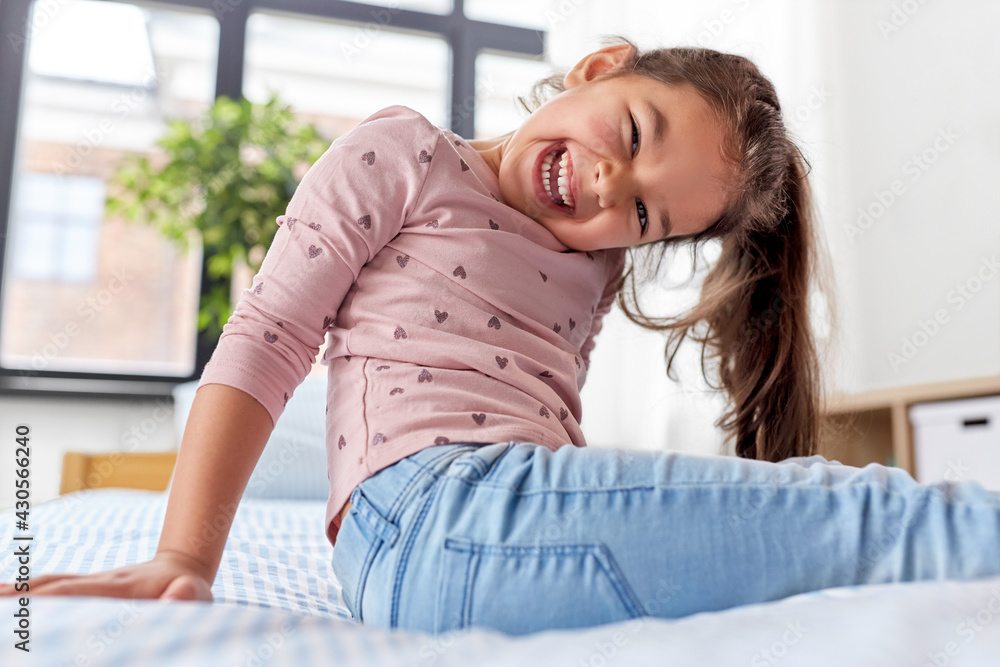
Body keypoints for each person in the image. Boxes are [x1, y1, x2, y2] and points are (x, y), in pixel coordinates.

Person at [3, 36, 999, 637]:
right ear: (598, 69)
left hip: (495, 527)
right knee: (862, 517)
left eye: (647, 216)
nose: (615, 189)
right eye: (635, 133)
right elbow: (267, 336)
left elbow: (542, 418)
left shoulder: (591, 260)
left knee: (813, 551)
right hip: (429, 511)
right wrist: (183, 552)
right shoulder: (404, 156)